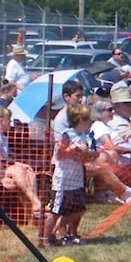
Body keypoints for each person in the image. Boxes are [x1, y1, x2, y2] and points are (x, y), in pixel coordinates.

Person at [41, 103, 92, 247]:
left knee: (79, 209)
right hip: (63, 179)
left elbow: (88, 156)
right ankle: (45, 239)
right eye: (88, 119)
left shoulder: (84, 136)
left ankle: (56, 232)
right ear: (81, 120)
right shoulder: (67, 134)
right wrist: (72, 149)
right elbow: (60, 154)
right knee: (56, 210)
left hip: (76, 179)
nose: (90, 122)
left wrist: (85, 153)